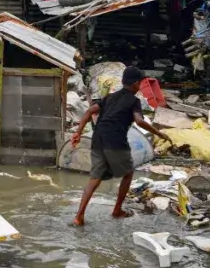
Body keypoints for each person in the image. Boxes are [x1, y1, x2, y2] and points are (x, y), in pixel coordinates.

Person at [70, 66, 172, 226]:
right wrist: (159, 134)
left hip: (97, 139)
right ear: (136, 83)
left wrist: (77, 132)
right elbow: (139, 121)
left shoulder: (110, 97)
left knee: (94, 179)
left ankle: (79, 216)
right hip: (115, 141)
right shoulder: (134, 101)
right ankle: (117, 210)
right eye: (141, 83)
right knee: (128, 173)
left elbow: (90, 111)